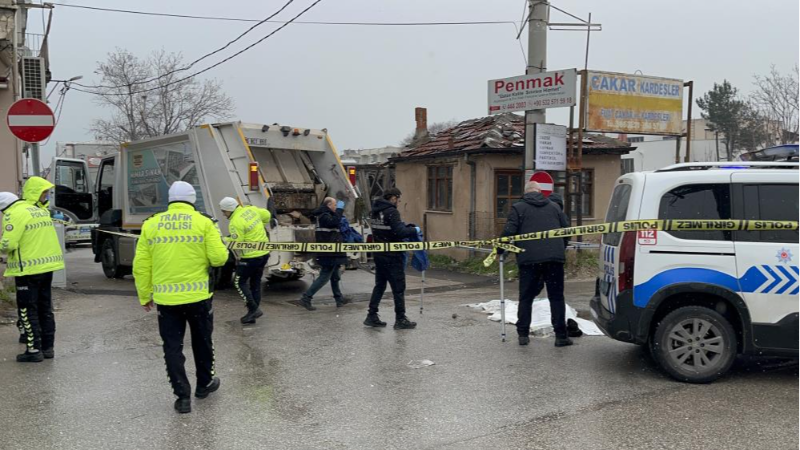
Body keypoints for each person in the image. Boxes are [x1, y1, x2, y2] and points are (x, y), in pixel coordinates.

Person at [133, 182, 229, 414]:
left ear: (170, 199)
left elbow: (141, 265)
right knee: (202, 341)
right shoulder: (204, 223)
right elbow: (218, 259)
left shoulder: (151, 224)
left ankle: (182, 397)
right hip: (198, 297)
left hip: (167, 301)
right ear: (192, 199)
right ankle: (204, 385)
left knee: (172, 347)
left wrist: (145, 295)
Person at [0, 177, 65, 363]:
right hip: (47, 267)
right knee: (45, 308)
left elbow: (9, 243)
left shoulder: (14, 213)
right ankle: (47, 348)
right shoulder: (39, 211)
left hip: (27, 270)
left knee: (28, 310)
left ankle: (33, 349)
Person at [501, 181, 572, 347]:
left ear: (525, 192)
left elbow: (509, 232)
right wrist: (561, 247)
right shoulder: (554, 207)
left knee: (526, 297)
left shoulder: (518, 208)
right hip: (554, 260)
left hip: (529, 260)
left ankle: (523, 335)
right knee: (556, 297)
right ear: (540, 192)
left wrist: (500, 250)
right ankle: (561, 336)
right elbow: (567, 230)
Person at [366, 188, 419, 329]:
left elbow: (386, 229)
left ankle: (371, 315)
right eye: (398, 199)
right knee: (398, 287)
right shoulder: (392, 212)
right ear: (393, 198)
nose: (399, 202)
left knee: (380, 285)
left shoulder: (375, 212)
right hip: (392, 255)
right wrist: (414, 230)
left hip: (379, 254)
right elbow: (399, 232)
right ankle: (400, 319)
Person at [219, 197, 272, 325]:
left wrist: (223, 240)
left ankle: (253, 309)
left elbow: (238, 243)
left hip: (250, 257)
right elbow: (267, 215)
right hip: (264, 253)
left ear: (230, 210)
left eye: (224, 211)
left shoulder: (235, 222)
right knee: (255, 283)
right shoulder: (251, 210)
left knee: (239, 282)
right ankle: (252, 314)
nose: (223, 214)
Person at [299, 197, 351, 311]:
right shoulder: (324, 215)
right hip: (329, 251)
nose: (336, 207)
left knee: (335, 275)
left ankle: (339, 298)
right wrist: (339, 211)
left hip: (333, 250)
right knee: (325, 276)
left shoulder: (325, 214)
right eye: (335, 205)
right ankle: (306, 298)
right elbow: (333, 223)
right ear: (328, 205)